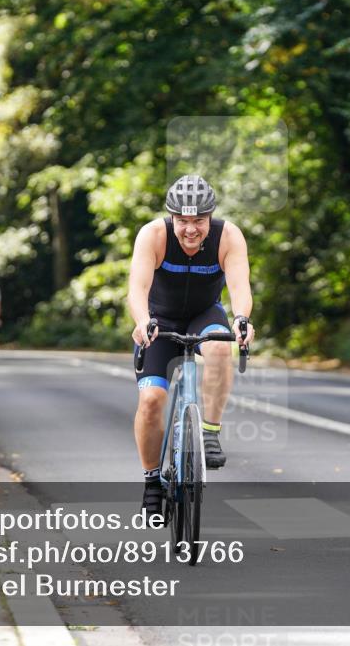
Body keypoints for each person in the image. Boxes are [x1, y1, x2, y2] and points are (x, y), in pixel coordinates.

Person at [128, 174, 255, 520]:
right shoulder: (153, 235)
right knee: (152, 399)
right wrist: (142, 321)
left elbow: (239, 285)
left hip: (204, 315)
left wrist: (241, 319)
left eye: (198, 220)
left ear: (210, 217)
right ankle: (152, 481)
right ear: (172, 217)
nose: (190, 229)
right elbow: (137, 289)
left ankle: (210, 432)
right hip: (159, 321)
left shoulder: (227, 236)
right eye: (182, 221)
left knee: (217, 347)